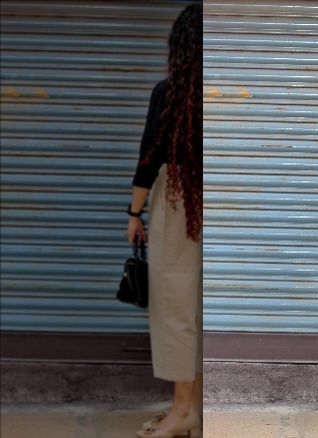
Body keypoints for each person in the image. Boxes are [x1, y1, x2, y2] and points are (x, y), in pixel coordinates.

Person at [126, 4, 203, 438]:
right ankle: (191, 409)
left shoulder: (169, 92)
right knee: (199, 305)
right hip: (203, 193)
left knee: (176, 301)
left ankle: (182, 411)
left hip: (177, 200)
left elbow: (149, 159)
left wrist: (133, 213)